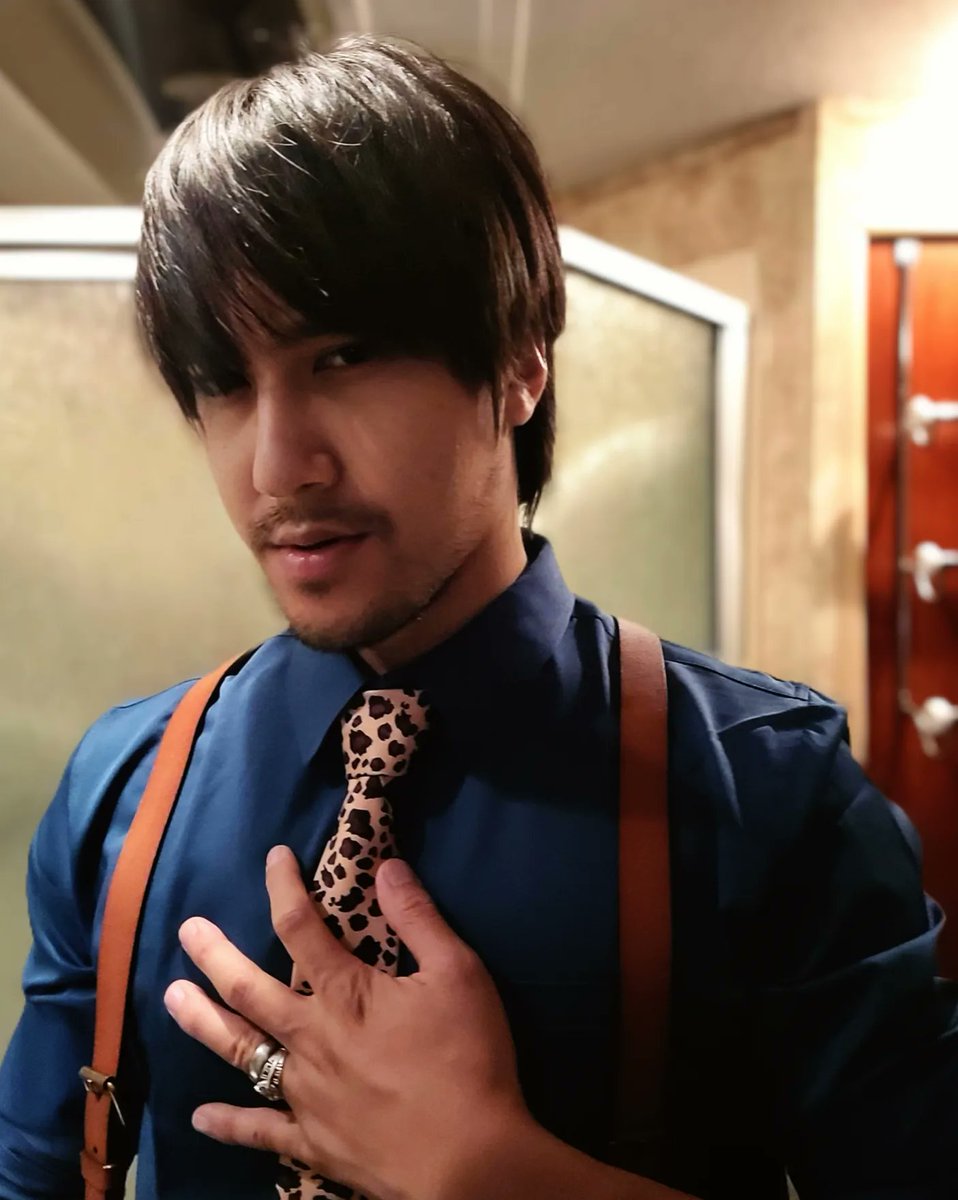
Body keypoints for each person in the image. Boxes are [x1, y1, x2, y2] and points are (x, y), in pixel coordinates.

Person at [0, 33, 955, 1200]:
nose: (277, 466)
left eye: (343, 357)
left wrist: (499, 1174)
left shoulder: (765, 792)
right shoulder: (124, 791)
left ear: (516, 365)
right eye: (224, 383)